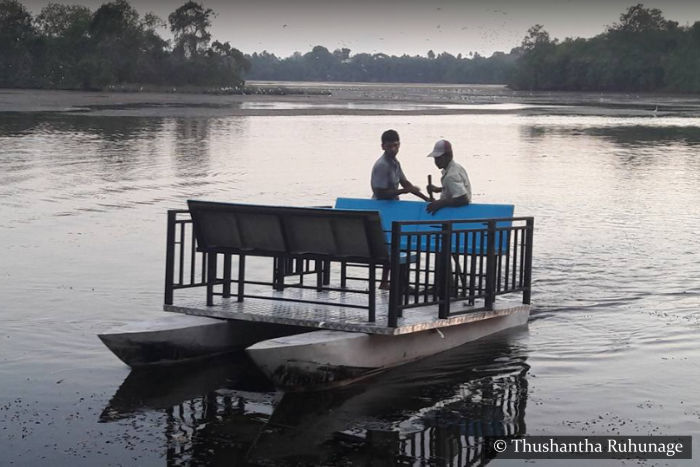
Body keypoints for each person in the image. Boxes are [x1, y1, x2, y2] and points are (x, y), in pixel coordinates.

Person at [371, 129, 430, 201]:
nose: (393, 149)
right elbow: (379, 193)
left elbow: (405, 183)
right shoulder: (382, 165)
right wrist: (403, 191)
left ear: (399, 145)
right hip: (380, 205)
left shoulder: (395, 163)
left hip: (393, 203)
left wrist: (426, 198)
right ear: (383, 147)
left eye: (395, 145)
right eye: (389, 146)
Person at [425, 139, 471, 214]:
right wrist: (437, 189)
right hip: (461, 210)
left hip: (458, 212)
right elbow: (455, 188)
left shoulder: (451, 175)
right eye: (435, 159)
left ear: (449, 156)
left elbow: (463, 199)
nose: (436, 162)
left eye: (439, 158)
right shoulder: (457, 167)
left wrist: (440, 203)